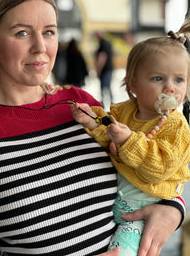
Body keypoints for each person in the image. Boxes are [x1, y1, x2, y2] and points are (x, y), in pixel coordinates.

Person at [0, 0, 185, 256]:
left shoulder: (81, 105)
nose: (40, 47)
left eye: (49, 32)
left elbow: (149, 164)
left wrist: (173, 210)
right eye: (22, 33)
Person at [70, 27, 190, 255]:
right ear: (132, 84)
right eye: (158, 78)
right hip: (112, 205)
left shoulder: (177, 127)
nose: (170, 88)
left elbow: (160, 168)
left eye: (179, 79)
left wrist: (128, 141)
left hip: (144, 211)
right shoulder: (123, 111)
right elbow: (110, 140)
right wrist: (93, 121)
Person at [95, 31, 114, 107]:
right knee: (108, 87)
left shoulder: (103, 43)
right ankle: (112, 103)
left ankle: (103, 104)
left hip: (105, 69)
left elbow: (102, 57)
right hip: (109, 68)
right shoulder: (108, 43)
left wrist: (98, 68)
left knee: (104, 88)